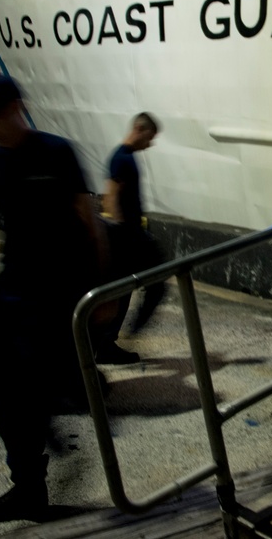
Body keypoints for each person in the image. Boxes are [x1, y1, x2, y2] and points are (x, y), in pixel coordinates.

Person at [0, 73, 107, 524]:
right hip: (11, 286)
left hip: (57, 285)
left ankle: (33, 483)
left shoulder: (56, 152)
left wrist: (104, 288)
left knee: (33, 381)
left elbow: (89, 221)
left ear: (15, 109)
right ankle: (27, 482)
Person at [95, 112, 166, 363]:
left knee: (125, 290)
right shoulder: (122, 158)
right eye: (151, 136)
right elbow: (110, 195)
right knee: (149, 284)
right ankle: (107, 343)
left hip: (131, 235)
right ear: (140, 129)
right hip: (127, 237)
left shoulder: (127, 157)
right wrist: (120, 231)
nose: (152, 142)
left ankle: (106, 343)